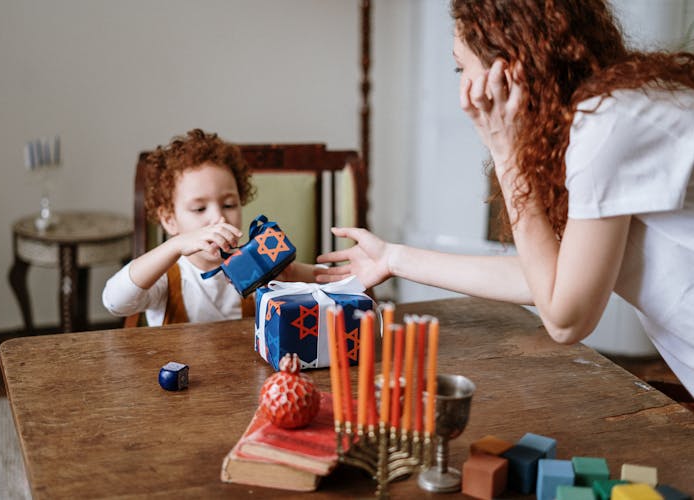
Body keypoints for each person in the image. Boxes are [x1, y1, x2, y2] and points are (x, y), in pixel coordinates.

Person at [316, 0, 694, 396]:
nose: (461, 87)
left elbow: (566, 319)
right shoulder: (601, 116)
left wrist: (505, 152)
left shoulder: (607, 124)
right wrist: (393, 258)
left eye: (461, 67)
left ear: (506, 68)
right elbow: (552, 279)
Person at [103, 128, 316, 326]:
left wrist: (292, 274)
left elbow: (330, 285)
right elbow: (115, 302)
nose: (219, 218)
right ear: (169, 220)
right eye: (199, 209)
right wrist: (175, 245)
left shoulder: (254, 265)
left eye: (229, 205)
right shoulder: (167, 277)